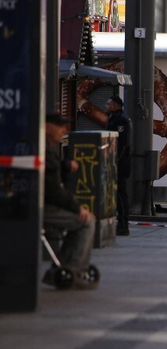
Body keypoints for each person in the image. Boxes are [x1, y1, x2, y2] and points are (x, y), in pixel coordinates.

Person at [42, 114, 98, 290]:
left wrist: (65, 166)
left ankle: (62, 266)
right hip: (40, 205)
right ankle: (74, 269)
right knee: (86, 222)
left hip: (38, 201)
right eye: (60, 126)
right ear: (47, 126)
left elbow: (52, 172)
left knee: (82, 220)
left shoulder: (46, 146)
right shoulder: (43, 147)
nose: (64, 131)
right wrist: (77, 208)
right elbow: (53, 191)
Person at [105, 96, 132, 236]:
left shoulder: (121, 119)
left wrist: (115, 161)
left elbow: (122, 143)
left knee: (120, 193)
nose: (106, 105)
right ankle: (119, 223)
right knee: (117, 194)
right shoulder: (115, 118)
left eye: (108, 103)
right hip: (117, 162)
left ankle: (123, 224)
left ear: (115, 106)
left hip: (120, 163)